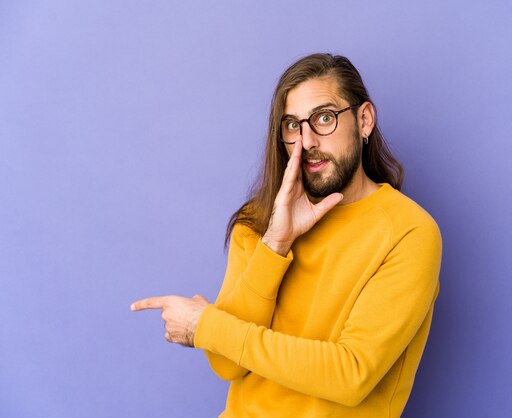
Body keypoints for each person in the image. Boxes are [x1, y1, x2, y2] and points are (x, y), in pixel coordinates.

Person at [131, 53, 442, 417]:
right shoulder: (258, 221)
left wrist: (207, 324)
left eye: (324, 118)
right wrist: (275, 245)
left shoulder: (409, 231)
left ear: (364, 120)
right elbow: (227, 365)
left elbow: (351, 375)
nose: (305, 141)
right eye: (292, 125)